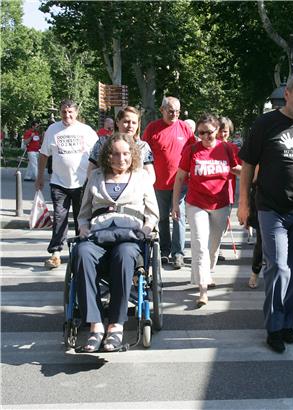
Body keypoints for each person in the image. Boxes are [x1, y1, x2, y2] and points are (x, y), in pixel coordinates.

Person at [237, 71, 293, 353]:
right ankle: (274, 326)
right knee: (278, 266)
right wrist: (243, 202)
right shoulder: (266, 123)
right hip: (272, 209)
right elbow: (248, 165)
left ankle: (288, 322)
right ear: (287, 94)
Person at [74, 133, 159, 352]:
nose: (120, 159)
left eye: (125, 154)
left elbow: (152, 213)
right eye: (115, 154)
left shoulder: (141, 177)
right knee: (82, 253)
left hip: (130, 236)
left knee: (124, 255)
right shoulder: (96, 177)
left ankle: (115, 327)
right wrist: (83, 227)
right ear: (107, 155)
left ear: (132, 155)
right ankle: (95, 326)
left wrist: (147, 229)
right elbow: (83, 213)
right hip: (98, 234)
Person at [172, 114, 241, 307]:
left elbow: (239, 169)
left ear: (217, 131)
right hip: (196, 203)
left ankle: (206, 272)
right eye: (201, 133)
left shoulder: (227, 148)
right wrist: (175, 203)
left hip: (221, 203)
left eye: (209, 132)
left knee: (213, 245)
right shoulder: (191, 150)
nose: (205, 136)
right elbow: (179, 178)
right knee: (200, 244)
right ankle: (203, 289)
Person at [36, 99, 99, 269]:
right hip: (59, 183)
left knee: (82, 218)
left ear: (76, 113)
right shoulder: (52, 130)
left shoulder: (86, 131)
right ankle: (55, 253)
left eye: (70, 112)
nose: (67, 115)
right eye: (64, 111)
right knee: (59, 218)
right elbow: (43, 155)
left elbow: (99, 153)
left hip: (82, 183)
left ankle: (81, 251)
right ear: (59, 113)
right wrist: (39, 177)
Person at [142, 96, 195, 269]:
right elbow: (142, 151)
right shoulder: (152, 128)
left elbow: (194, 150)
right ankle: (164, 251)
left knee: (178, 216)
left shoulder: (185, 128)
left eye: (177, 111)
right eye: (170, 111)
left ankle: (178, 253)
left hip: (181, 182)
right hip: (158, 183)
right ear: (162, 110)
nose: (174, 114)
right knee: (162, 218)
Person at [88, 106, 155, 182]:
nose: (130, 126)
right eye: (126, 122)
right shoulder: (102, 143)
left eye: (134, 123)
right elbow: (91, 171)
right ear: (117, 122)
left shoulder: (143, 147)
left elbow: (151, 176)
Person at [215, 116, 240, 263]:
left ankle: (215, 247)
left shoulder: (233, 148)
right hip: (211, 192)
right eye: (219, 131)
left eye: (225, 131)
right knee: (213, 225)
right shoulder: (211, 146)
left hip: (228, 191)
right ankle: (214, 250)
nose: (222, 134)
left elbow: (241, 168)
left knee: (223, 225)